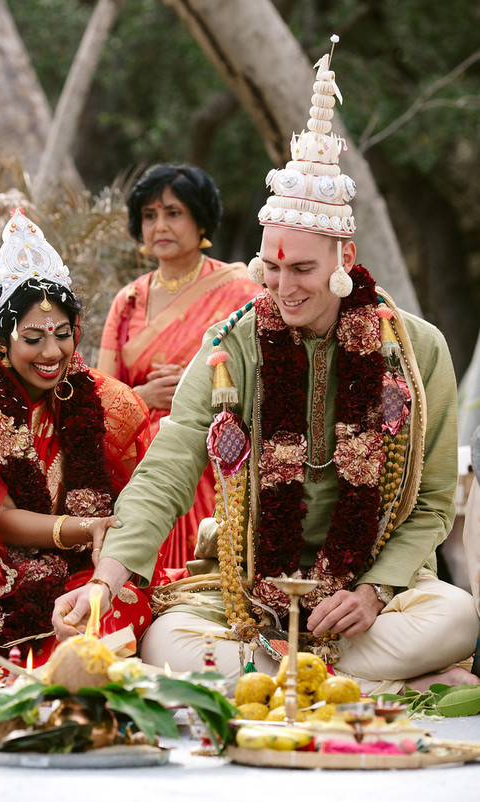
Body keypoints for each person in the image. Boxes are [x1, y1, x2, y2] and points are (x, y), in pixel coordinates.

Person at [53, 41, 479, 696]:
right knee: (168, 639)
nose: (283, 287)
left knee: (458, 615)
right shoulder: (235, 347)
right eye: (271, 267)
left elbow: (431, 505)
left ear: (346, 257)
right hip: (256, 590)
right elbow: (168, 468)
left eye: (302, 268)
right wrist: (105, 583)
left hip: (371, 594)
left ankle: (275, 686)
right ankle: (383, 688)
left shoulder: (415, 352)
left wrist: (373, 591)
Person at [0, 208, 156, 673]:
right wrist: (86, 527)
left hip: (77, 570)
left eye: (63, 335)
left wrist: (104, 538)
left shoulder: (104, 401)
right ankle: (38, 673)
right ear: (2, 343)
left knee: (117, 601)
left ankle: (52, 668)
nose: (51, 353)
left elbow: (144, 490)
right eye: (33, 338)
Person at [97, 164, 258, 570]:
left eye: (173, 213)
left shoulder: (242, 291)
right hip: (139, 458)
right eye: (149, 216)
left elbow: (263, 375)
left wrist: (197, 384)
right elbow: (99, 395)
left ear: (200, 218)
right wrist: (141, 397)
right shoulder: (128, 300)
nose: (159, 226)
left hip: (215, 452)